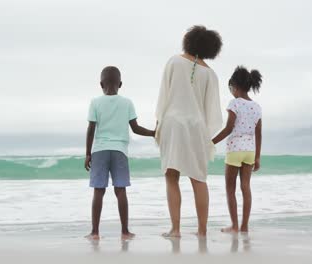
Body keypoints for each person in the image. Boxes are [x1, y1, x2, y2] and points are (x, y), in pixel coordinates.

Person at [155, 25, 223, 237]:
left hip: (174, 124)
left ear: (189, 41)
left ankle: (175, 229)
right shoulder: (210, 74)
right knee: (199, 178)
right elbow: (212, 110)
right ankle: (202, 230)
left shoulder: (174, 61)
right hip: (197, 127)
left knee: (171, 176)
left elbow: (163, 96)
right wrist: (207, 136)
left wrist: (158, 125)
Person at [84, 66, 155, 240]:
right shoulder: (127, 103)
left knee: (98, 191)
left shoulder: (95, 102)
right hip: (120, 151)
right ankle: (125, 231)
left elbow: (91, 129)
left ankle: (95, 232)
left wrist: (87, 153)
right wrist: (153, 132)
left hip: (100, 150)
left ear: (101, 84)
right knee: (120, 190)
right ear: (120, 84)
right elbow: (136, 128)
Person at [212, 66, 263, 233]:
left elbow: (228, 128)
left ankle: (234, 226)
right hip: (250, 150)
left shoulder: (234, 103)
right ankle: (244, 226)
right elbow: (258, 133)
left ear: (236, 86)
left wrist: (210, 142)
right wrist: (257, 157)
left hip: (235, 149)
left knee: (230, 189)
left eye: (230, 87)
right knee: (246, 187)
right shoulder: (256, 107)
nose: (231, 91)